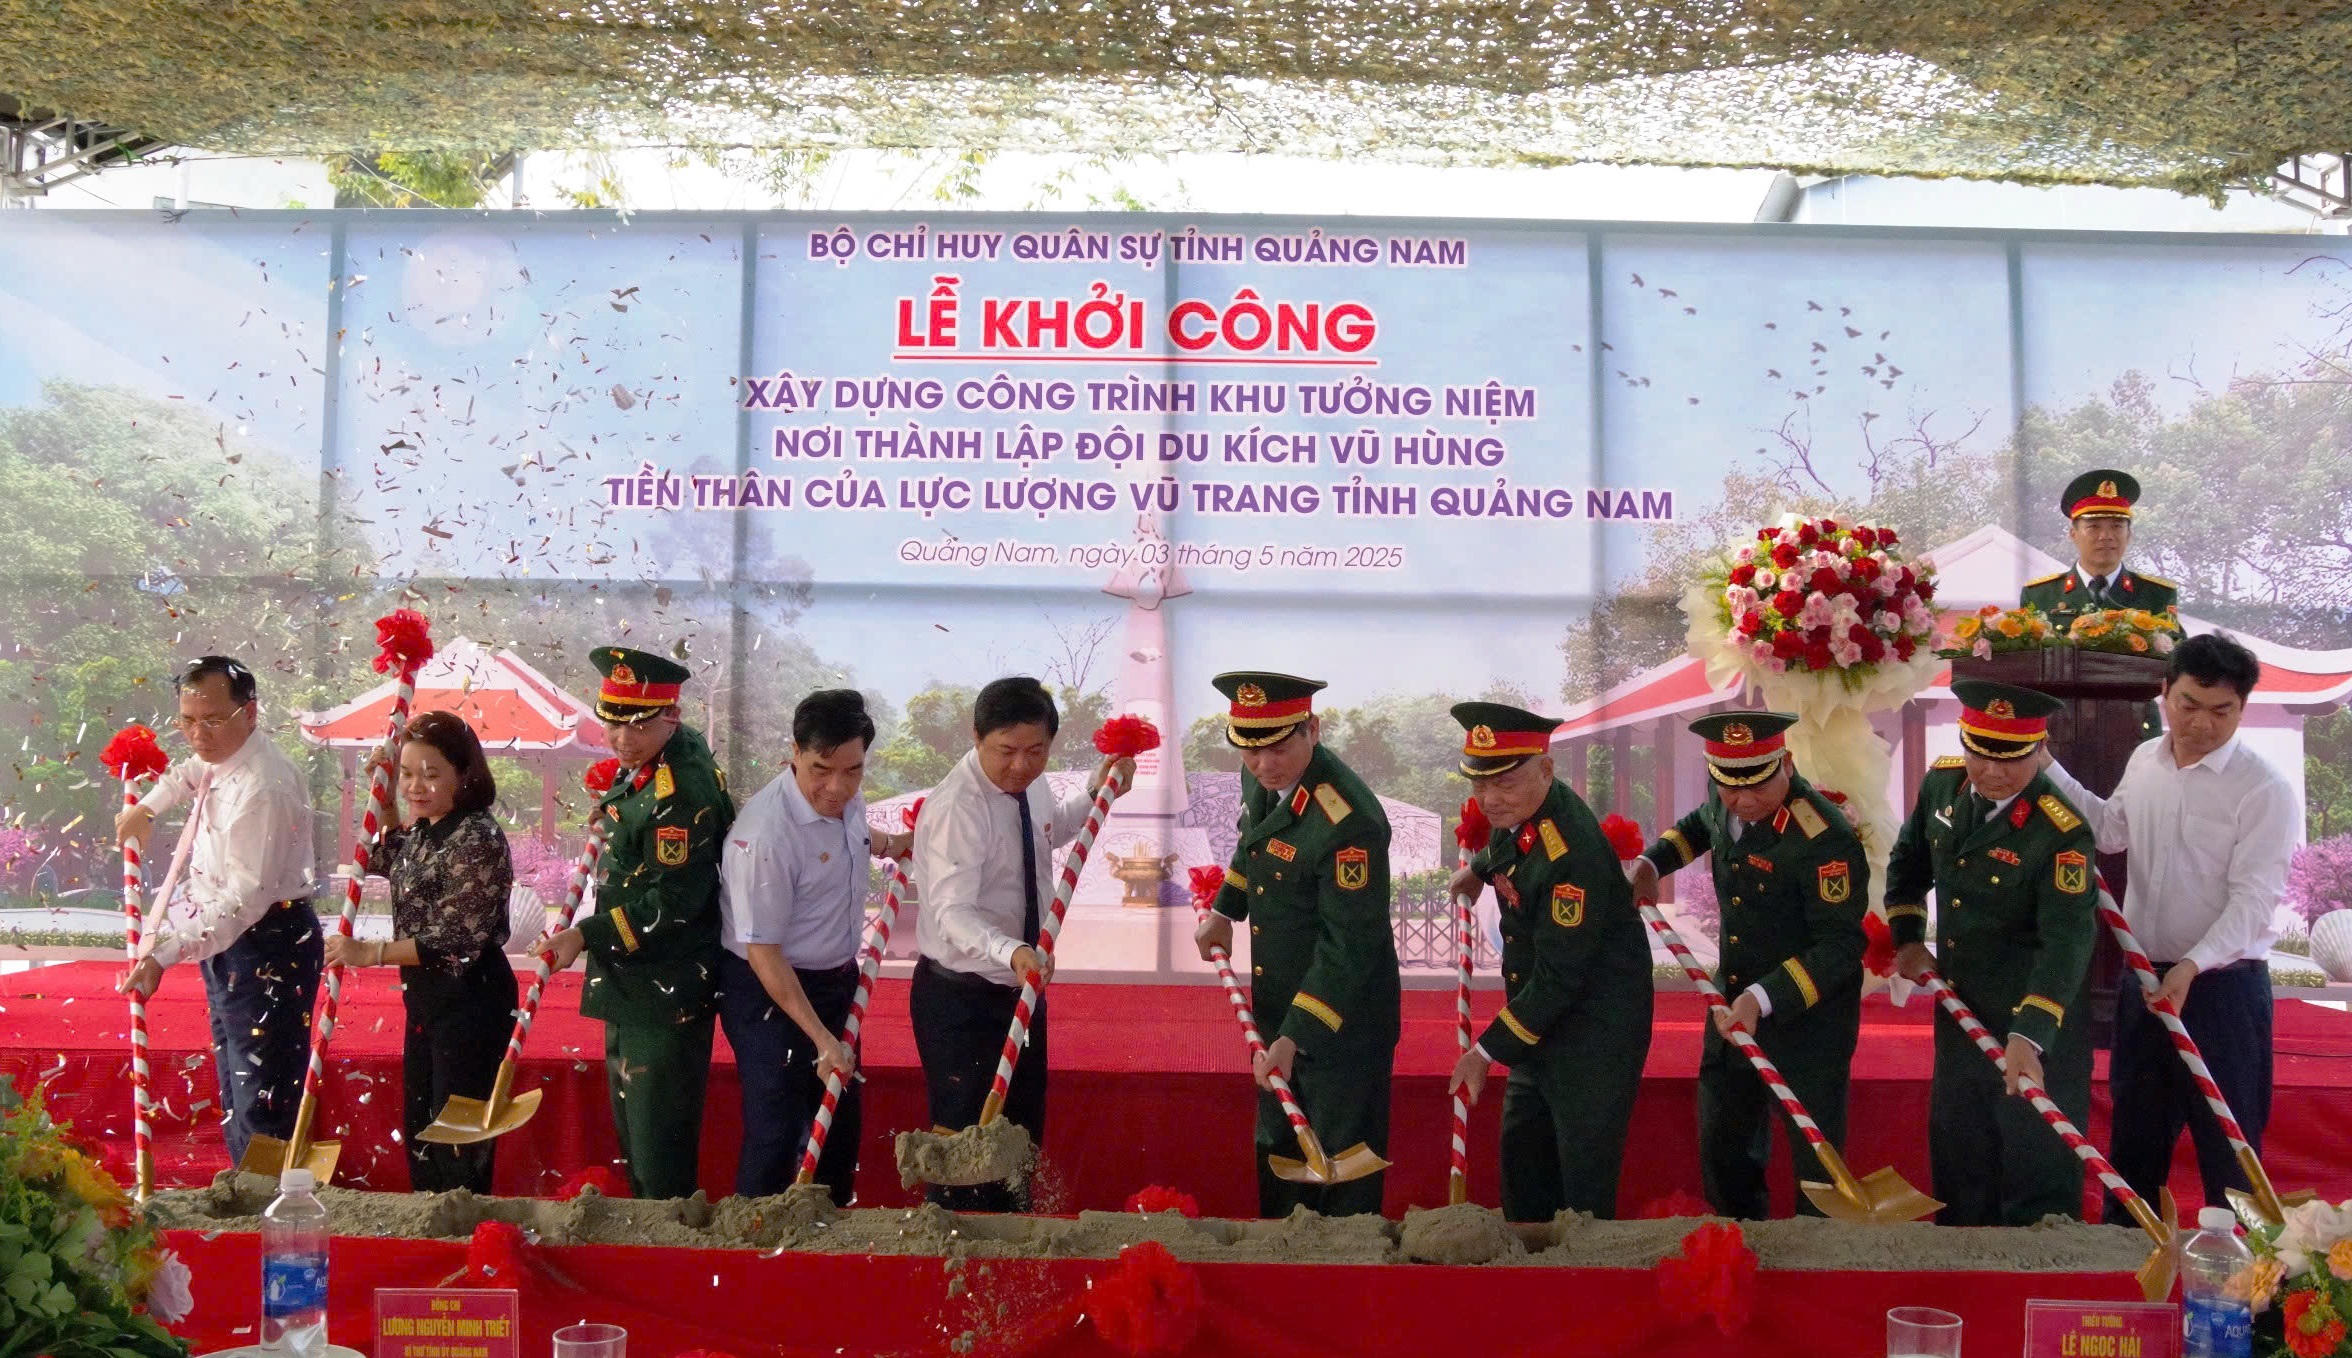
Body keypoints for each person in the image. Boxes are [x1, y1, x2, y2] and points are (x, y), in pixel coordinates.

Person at [2037, 632, 2297, 1218]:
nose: (2201, 724)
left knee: (2230, 1154)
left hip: (2223, 990)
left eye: (2221, 711)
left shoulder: (2263, 788)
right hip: (2146, 984)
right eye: (2188, 704)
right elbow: (2108, 832)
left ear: (2243, 708)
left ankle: (2238, 1273)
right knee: (2135, 1142)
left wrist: (2191, 966)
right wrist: (2044, 763)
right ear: (2164, 693)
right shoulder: (2145, 760)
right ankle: (2124, 1263)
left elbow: (2254, 902)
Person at [1625, 712, 1867, 1220]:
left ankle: (1818, 1255)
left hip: (1807, 1020)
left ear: (1786, 763)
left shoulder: (1825, 837)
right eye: (1730, 785)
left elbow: (1840, 947)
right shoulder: (1727, 794)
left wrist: (1762, 997)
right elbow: (1701, 825)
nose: (1743, 799)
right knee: (1724, 1148)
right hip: (1731, 1004)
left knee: (1817, 1171)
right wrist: (1652, 862)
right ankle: (1740, 1243)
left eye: (1758, 784)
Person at [908, 676, 1130, 1212]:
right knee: (965, 1151)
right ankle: (957, 1248)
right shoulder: (958, 808)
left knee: (1020, 1139)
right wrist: (1011, 950)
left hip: (1021, 990)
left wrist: (1097, 791)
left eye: (1036, 751)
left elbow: (1049, 830)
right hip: (962, 997)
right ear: (976, 736)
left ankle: (1014, 1242)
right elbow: (951, 914)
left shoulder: (1031, 784)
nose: (1021, 765)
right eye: (1006, 751)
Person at [1887, 680, 2100, 1226]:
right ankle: (1962, 1265)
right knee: (1961, 1154)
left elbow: (2067, 942)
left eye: (2011, 758)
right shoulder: (1942, 785)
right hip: (1960, 1008)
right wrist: (1908, 938)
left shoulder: (2062, 829)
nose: (1992, 771)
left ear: (2040, 750)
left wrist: (2030, 1036)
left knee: (2036, 1167)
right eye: (1979, 752)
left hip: (2035, 1019)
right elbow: (1908, 863)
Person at [1195, 671, 1399, 1218]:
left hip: (1340, 1023)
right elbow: (1254, 844)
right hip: (1279, 1008)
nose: (1265, 765)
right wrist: (1224, 911)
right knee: (1282, 1154)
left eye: (1279, 748)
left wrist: (1296, 1035)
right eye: (1250, 751)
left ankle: (1344, 1265)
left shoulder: (1348, 821)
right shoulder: (1260, 777)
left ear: (1313, 728)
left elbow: (1350, 946)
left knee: (1342, 1167)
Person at [1443, 702, 1650, 1222]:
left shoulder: (1571, 852)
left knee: (1581, 1186)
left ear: (1546, 769)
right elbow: (1511, 846)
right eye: (1479, 784)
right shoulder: (1521, 812)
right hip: (1536, 1023)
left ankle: (1581, 1268)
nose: (1490, 799)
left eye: (1504, 783)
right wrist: (1479, 870)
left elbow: (1560, 976)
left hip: (1592, 1030)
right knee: (1523, 1166)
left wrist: (1484, 1052)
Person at [542, 648, 735, 1199]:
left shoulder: (681, 791)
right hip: (635, 979)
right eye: (612, 722)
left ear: (672, 716)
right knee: (636, 1135)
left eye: (638, 725)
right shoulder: (666, 752)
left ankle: (665, 1240)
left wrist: (584, 935)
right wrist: (617, 807)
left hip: (662, 983)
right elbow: (640, 799)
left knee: (657, 1146)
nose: (622, 739)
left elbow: (674, 901)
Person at [115, 655, 322, 1168]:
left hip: (268, 939)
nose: (197, 735)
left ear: (249, 713)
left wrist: (163, 953)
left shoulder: (265, 786)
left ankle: (268, 1197)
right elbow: (190, 773)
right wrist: (147, 808)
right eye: (187, 721)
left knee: (262, 1087)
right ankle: (246, 1182)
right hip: (229, 936)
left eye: (211, 720)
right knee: (234, 1077)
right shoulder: (220, 755)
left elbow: (242, 900)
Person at [716, 689, 913, 1204]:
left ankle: (829, 1230)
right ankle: (758, 1231)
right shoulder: (765, 835)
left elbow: (853, 834)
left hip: (836, 981)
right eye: (821, 770)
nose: (837, 787)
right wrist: (823, 1039)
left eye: (853, 770)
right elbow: (763, 953)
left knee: (839, 1123)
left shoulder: (846, 798)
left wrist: (891, 845)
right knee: (778, 1128)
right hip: (768, 989)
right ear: (795, 753)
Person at [323, 710, 515, 1193]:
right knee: (420, 1123)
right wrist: (384, 797)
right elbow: (384, 856)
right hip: (427, 998)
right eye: (407, 774)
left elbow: (455, 939)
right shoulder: (427, 828)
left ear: (465, 774)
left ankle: (464, 1221)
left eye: (431, 774)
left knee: (456, 1132)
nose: (416, 787)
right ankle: (428, 1215)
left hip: (472, 998)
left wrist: (370, 953)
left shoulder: (477, 836)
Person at [2020, 468, 2178, 738]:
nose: (2106, 536)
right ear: (2073, 533)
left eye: (2117, 526)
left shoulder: (2157, 594)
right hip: (2061, 729)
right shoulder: (2040, 594)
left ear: (2129, 534)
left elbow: (2175, 661)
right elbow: (2026, 666)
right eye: (2093, 526)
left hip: (2134, 728)